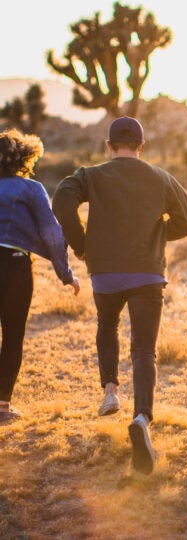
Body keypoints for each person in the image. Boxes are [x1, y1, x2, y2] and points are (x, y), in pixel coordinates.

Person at [52, 117, 187, 474]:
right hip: (148, 271)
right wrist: (159, 232)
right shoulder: (160, 177)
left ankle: (110, 393)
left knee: (107, 324)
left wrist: (81, 243)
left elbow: (61, 201)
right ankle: (142, 418)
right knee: (144, 348)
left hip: (105, 272)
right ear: (141, 146)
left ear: (108, 145)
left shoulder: (91, 175)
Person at [0, 128, 79, 423]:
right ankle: (2, 407)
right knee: (12, 336)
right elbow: (52, 235)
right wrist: (66, 273)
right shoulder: (31, 189)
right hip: (14, 266)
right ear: (26, 157)